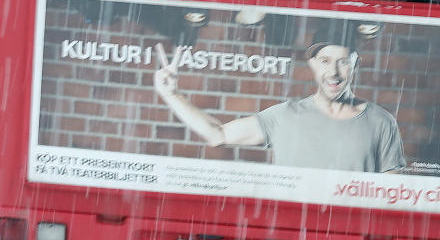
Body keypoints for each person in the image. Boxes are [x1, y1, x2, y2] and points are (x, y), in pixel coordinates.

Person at [152, 34, 406, 173]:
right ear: (313, 66)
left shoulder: (381, 122)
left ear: (356, 65)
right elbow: (216, 134)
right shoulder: (286, 115)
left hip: (350, 237)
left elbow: (391, 198)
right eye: (325, 61)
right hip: (293, 233)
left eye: (343, 61)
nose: (334, 72)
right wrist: (172, 95)